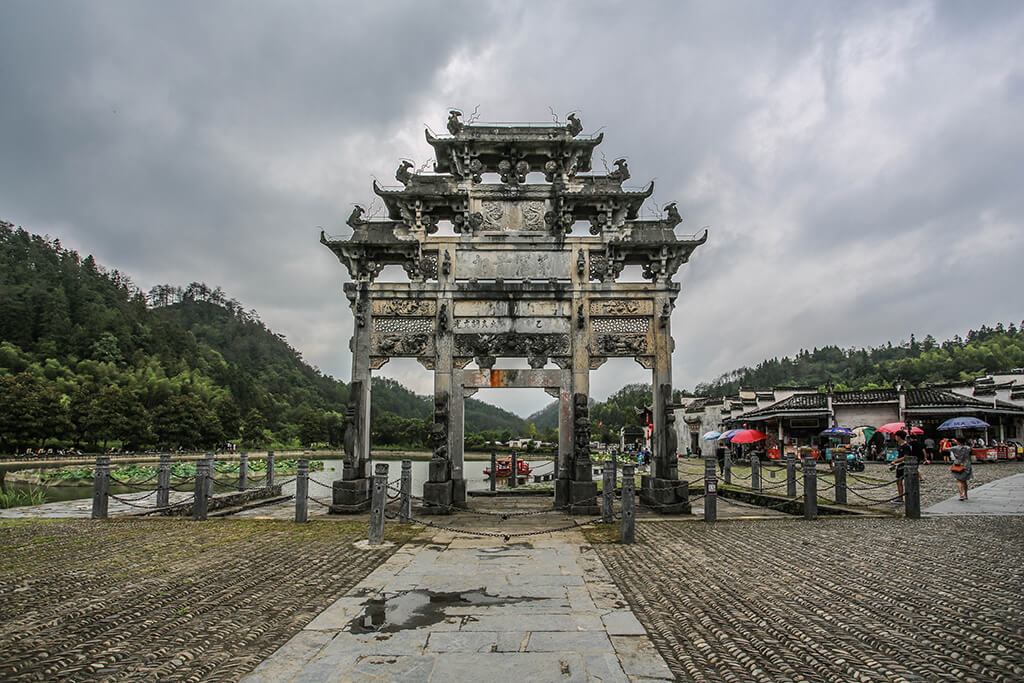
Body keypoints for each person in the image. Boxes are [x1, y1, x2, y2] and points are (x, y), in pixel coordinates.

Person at [888, 429, 912, 503]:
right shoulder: (900, 445)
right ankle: (900, 497)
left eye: (896, 436)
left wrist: (895, 461)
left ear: (899, 437)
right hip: (899, 465)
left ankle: (902, 498)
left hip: (904, 465)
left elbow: (905, 457)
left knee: (903, 481)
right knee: (898, 481)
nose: (895, 437)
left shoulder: (906, 446)